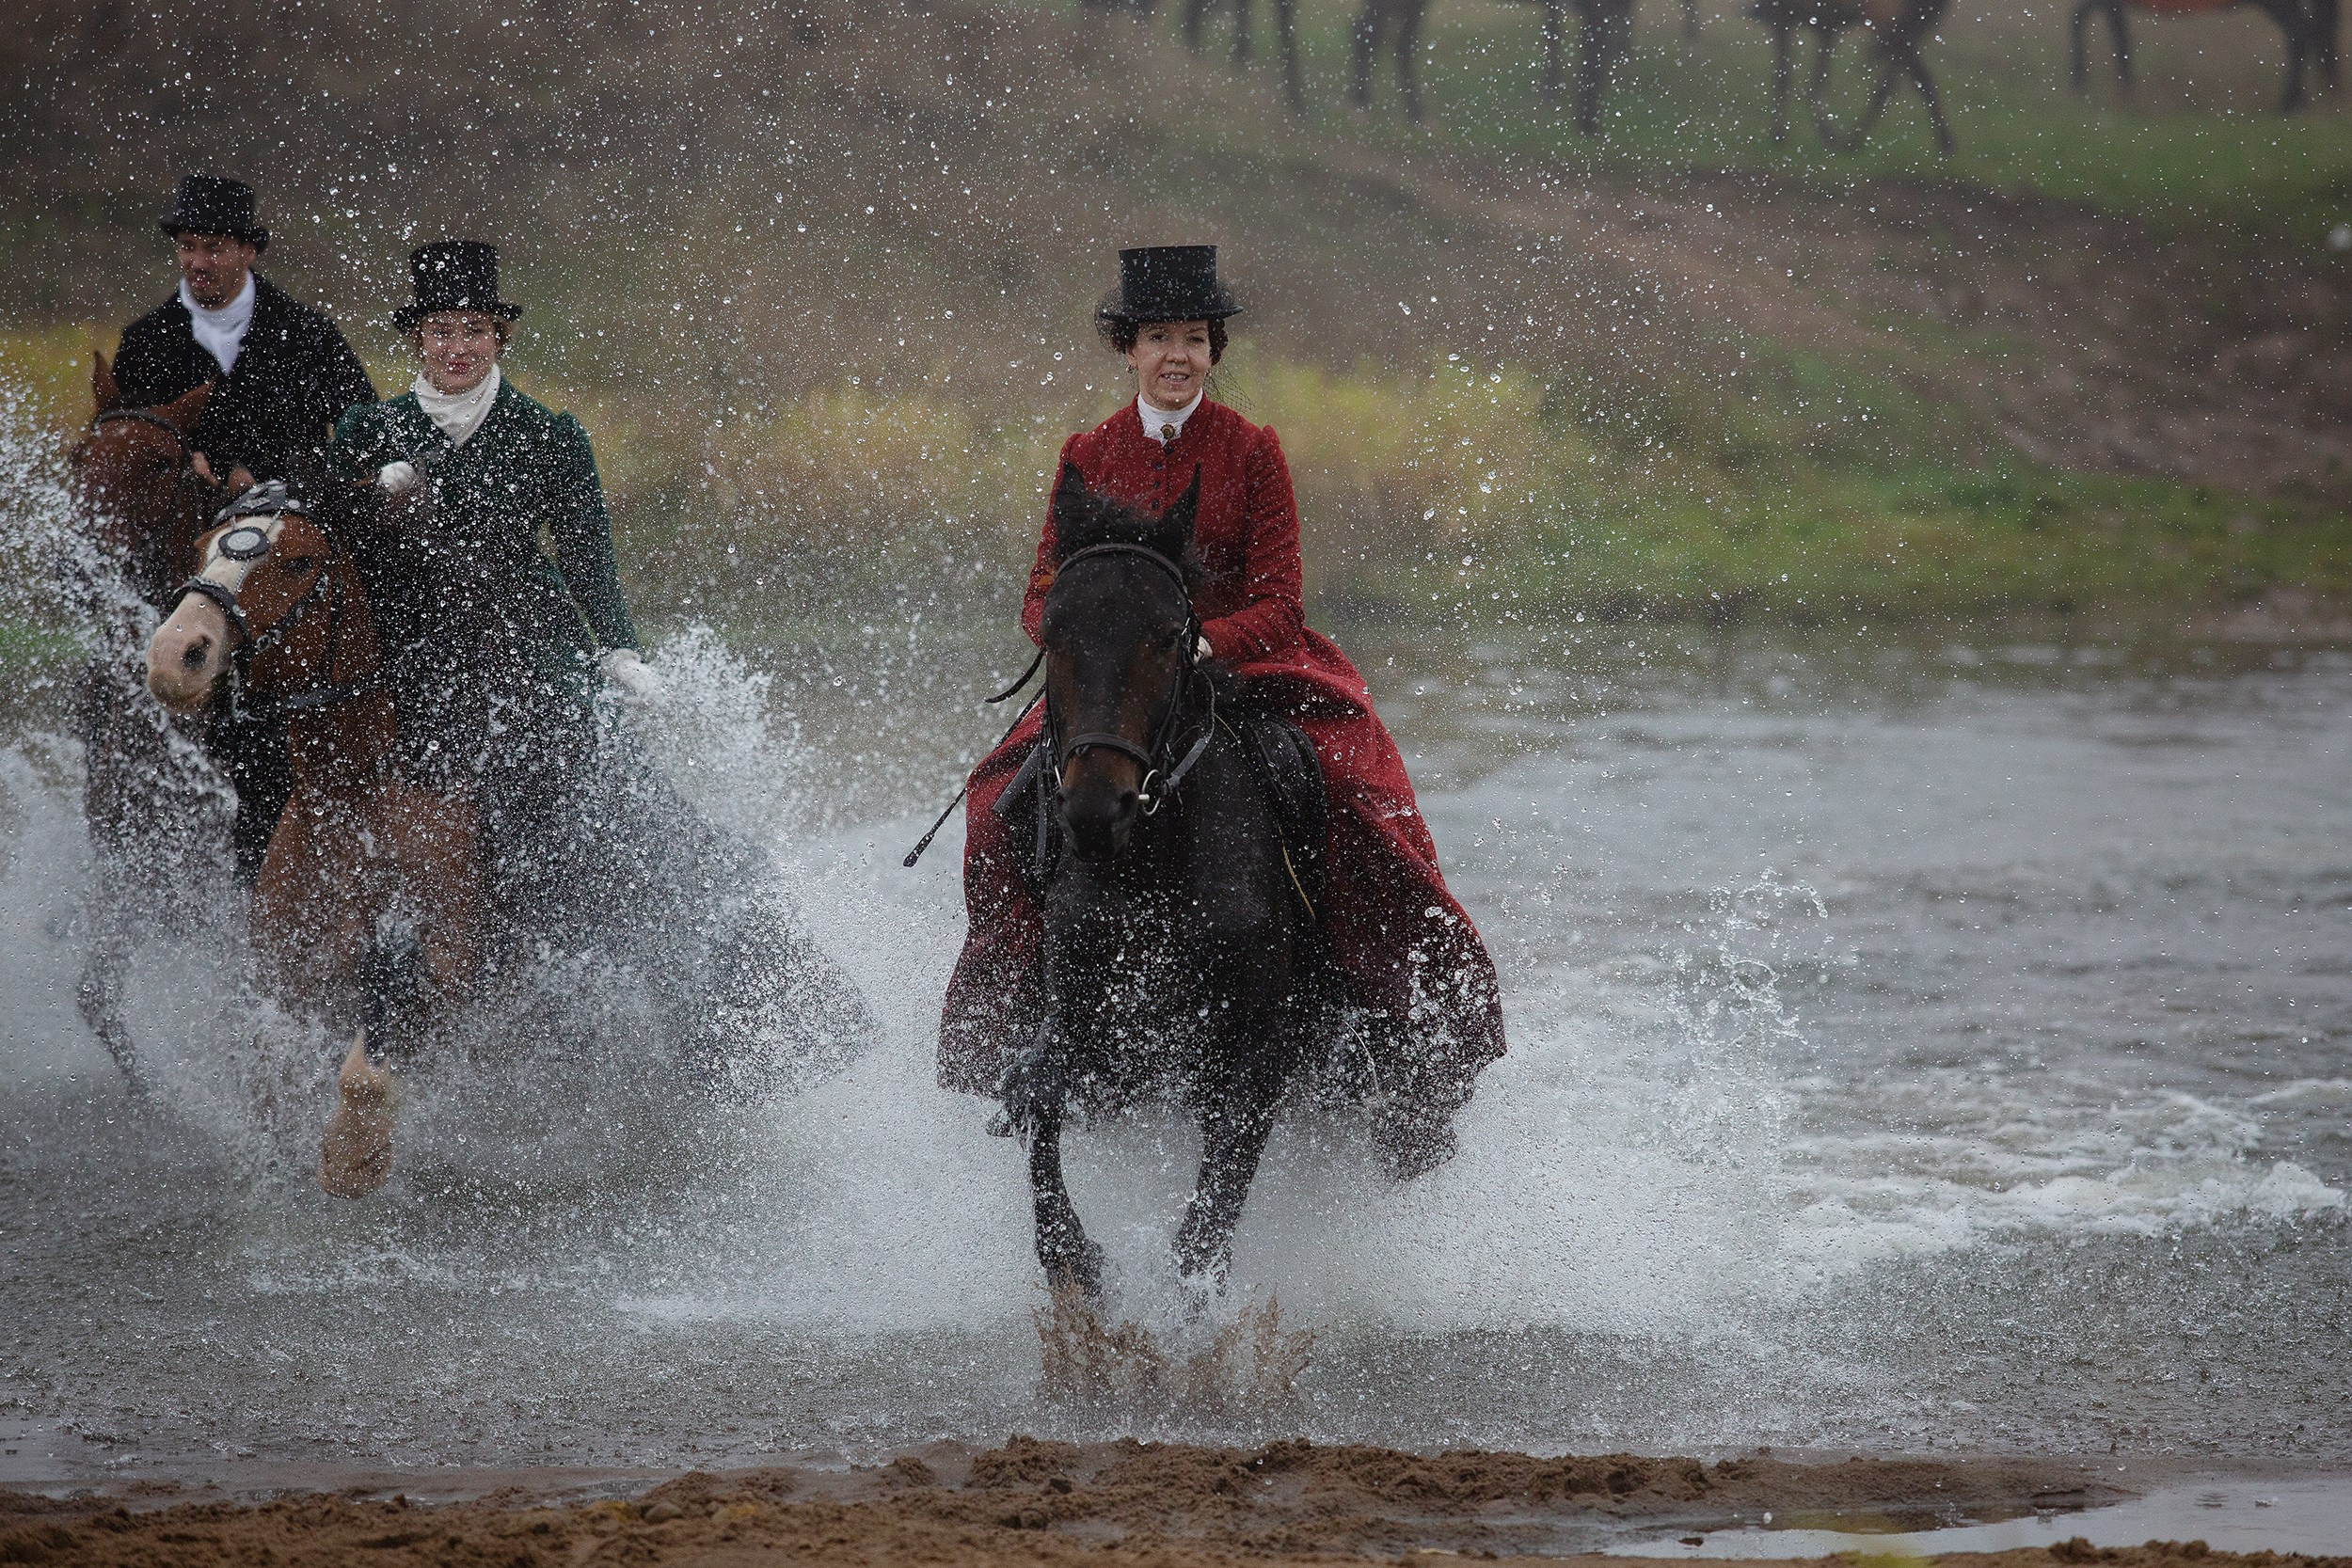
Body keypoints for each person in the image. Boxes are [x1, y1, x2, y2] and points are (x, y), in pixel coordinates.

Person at [939, 245, 1504, 1178]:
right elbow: (1043, 592)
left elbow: (1281, 600)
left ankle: (1380, 1007)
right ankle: (1008, 1019)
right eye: (1160, 337)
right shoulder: (1086, 454)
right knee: (993, 803)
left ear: (1213, 351)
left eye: (1195, 339)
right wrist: (1093, 639)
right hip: (1115, 686)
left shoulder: (1253, 449)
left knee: (1352, 792)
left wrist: (1200, 644)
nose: (1178, 355)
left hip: (1243, 667)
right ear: (1128, 348)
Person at [328, 241, 658, 913]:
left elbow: (587, 557)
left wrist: (620, 648)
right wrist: (370, 501)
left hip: (524, 637)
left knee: (593, 745)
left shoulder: (549, 434)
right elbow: (328, 539)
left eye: (474, 330)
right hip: (408, 640)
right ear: (418, 338)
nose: (458, 348)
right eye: (441, 330)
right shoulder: (371, 429)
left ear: (498, 337)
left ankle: (599, 898)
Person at [114, 174, 378, 883]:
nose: (197, 262)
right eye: (186, 247)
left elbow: (364, 439)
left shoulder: (309, 334)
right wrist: (187, 466)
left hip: (280, 573)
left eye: (213, 248)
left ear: (248, 252)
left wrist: (272, 482)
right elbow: (126, 455)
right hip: (180, 561)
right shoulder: (146, 343)